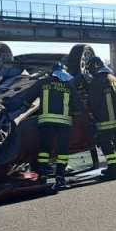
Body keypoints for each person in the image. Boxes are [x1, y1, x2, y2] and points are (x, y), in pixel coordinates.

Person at [37, 62, 77, 192]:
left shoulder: (43, 82)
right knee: (62, 151)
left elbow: (28, 98)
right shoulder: (68, 85)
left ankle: (42, 176)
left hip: (46, 122)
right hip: (63, 123)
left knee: (44, 150)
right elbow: (77, 104)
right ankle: (60, 178)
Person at [87, 57, 116, 179]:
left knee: (106, 145)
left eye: (90, 69)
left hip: (105, 120)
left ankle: (113, 172)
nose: (90, 72)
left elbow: (93, 102)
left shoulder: (97, 81)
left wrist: (91, 115)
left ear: (96, 66)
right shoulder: (113, 78)